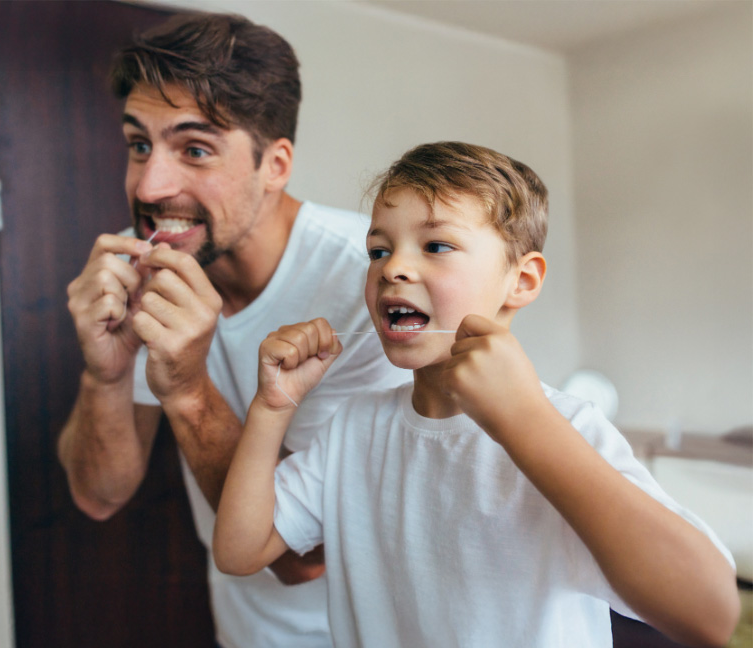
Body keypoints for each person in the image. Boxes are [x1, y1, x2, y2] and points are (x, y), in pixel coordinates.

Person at [212, 142, 741, 647]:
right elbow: (239, 551)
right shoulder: (354, 429)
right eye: (378, 249)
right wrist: (272, 408)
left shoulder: (565, 426)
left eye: (436, 245)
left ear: (523, 280)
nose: (391, 267)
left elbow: (711, 614)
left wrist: (524, 418)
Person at [57, 11, 408, 648]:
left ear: (274, 165)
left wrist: (188, 390)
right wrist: (104, 372)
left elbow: (305, 558)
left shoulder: (374, 284)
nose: (150, 185)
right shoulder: (154, 275)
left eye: (194, 149)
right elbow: (99, 495)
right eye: (140, 145)